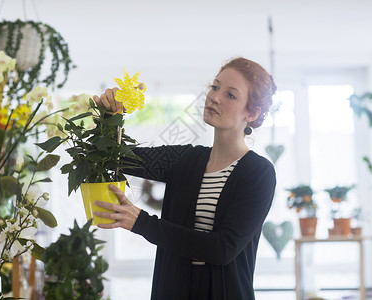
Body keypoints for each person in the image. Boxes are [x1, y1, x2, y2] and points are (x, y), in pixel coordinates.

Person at [92, 57, 277, 300]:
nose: (215, 97)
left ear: (252, 113)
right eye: (215, 86)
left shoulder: (259, 173)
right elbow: (115, 158)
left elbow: (223, 249)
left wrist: (142, 223)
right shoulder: (185, 159)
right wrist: (109, 116)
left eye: (231, 95)